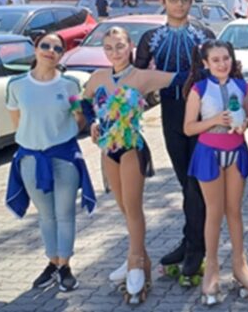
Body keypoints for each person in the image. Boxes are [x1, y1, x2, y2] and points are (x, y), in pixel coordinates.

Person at [82, 26, 179, 303]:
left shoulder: (142, 77)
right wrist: (91, 123)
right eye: (109, 48)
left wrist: (217, 66)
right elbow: (84, 101)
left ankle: (134, 260)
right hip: (107, 150)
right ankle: (140, 260)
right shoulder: (98, 77)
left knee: (134, 207)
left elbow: (182, 78)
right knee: (124, 208)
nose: (115, 52)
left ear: (131, 46)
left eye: (120, 46)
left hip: (131, 148)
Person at [134, 0, 215, 282]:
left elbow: (219, 71)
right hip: (170, 112)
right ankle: (190, 240)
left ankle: (195, 249)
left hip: (202, 114)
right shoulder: (150, 39)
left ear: (191, 2)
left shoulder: (204, 35)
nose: (178, 4)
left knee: (197, 182)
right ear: (162, 2)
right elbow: (135, 80)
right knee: (185, 182)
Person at [5, 33, 96, 292]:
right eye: (45, 45)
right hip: (32, 159)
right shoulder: (17, 85)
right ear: (35, 49)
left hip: (64, 158)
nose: (50, 50)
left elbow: (80, 116)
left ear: (62, 55)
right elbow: (17, 122)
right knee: (46, 216)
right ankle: (52, 262)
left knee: (64, 214)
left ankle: (65, 266)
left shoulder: (68, 86)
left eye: (57, 48)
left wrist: (63, 137)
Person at [183, 40, 248, 304]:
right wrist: (215, 120)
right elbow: (188, 128)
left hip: (236, 153)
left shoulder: (242, 86)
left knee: (234, 210)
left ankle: (240, 264)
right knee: (214, 212)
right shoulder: (199, 89)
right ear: (205, 64)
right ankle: (212, 268)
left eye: (225, 58)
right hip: (209, 155)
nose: (222, 64)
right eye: (215, 60)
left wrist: (244, 124)